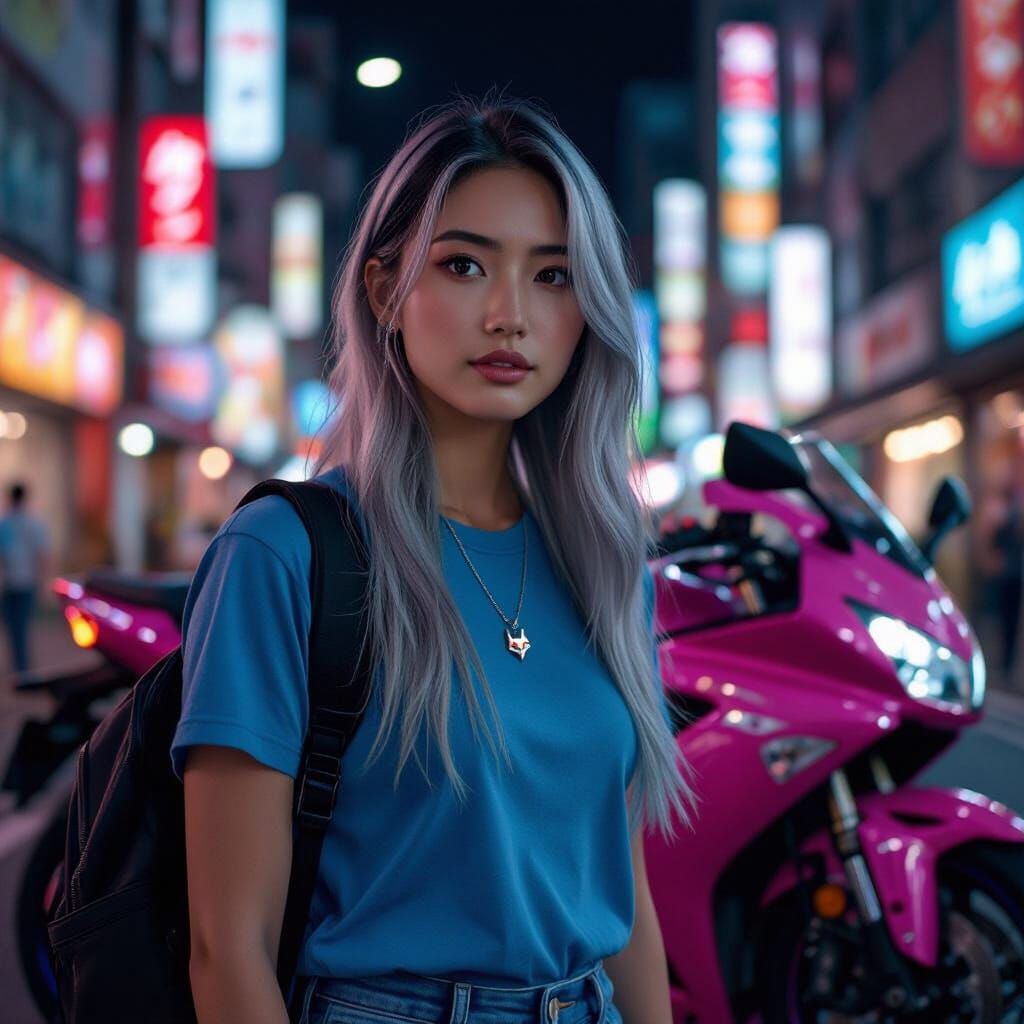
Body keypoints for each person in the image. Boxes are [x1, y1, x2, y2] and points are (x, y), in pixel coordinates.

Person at [174, 92, 697, 1024]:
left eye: (554, 276)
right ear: (385, 291)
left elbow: (622, 904)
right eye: (463, 265)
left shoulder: (606, 566)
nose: (510, 315)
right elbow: (227, 948)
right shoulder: (284, 554)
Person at [0, 481, 52, 675]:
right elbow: (42, 555)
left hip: (8, 582)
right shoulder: (34, 524)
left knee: (14, 627)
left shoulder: (5, 524)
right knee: (21, 626)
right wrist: (43, 581)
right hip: (27, 582)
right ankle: (22, 667)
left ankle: (20, 666)